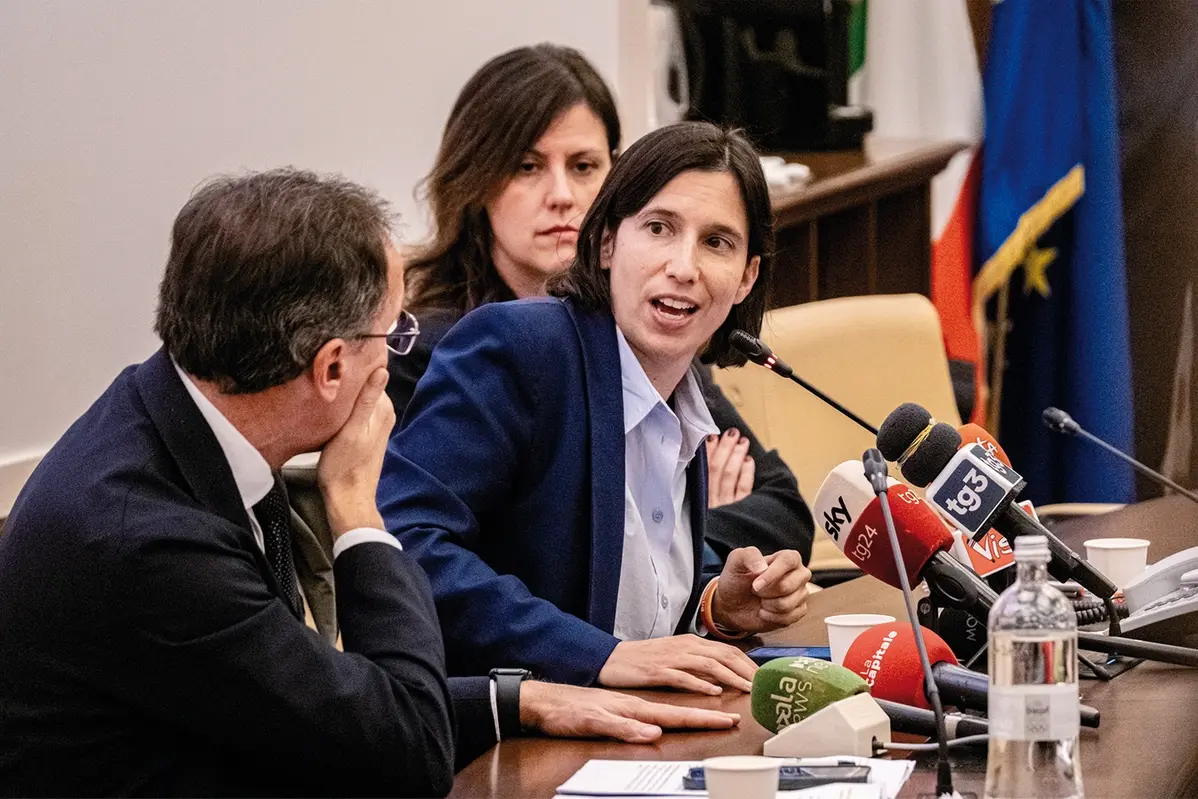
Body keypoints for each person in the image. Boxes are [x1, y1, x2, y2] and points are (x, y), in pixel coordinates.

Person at [0, 169, 739, 797]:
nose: (394, 361)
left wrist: (512, 698)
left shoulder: (162, 412)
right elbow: (399, 750)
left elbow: (314, 694)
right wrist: (357, 506)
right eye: (393, 336)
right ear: (329, 367)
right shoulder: (148, 540)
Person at [380, 122, 813, 694]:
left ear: (745, 278)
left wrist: (714, 603)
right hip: (504, 743)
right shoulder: (521, 348)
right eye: (659, 228)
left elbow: (625, 593)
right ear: (607, 242)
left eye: (717, 242)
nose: (685, 267)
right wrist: (598, 656)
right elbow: (403, 543)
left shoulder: (682, 390)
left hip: (636, 732)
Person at [391, 43, 814, 563]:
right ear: (476, 179)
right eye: (527, 167)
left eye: (585, 165)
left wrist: (687, 549)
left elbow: (782, 508)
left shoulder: (648, 321)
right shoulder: (437, 348)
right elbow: (435, 547)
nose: (563, 195)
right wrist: (674, 533)